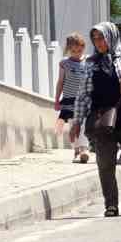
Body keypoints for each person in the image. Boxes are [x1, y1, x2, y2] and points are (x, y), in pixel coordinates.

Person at [69, 21, 121, 217]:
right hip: (102, 121)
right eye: (95, 39)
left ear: (111, 36)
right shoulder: (90, 63)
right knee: (105, 164)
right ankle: (111, 204)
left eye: (102, 38)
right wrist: (76, 122)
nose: (99, 42)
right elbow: (83, 95)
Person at [54, 33, 89, 165]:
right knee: (73, 125)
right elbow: (60, 82)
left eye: (79, 50)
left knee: (83, 124)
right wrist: (57, 100)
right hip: (69, 100)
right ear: (68, 50)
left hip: (84, 100)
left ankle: (84, 149)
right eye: (73, 51)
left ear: (83, 48)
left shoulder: (88, 61)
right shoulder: (64, 64)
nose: (76, 53)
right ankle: (76, 150)